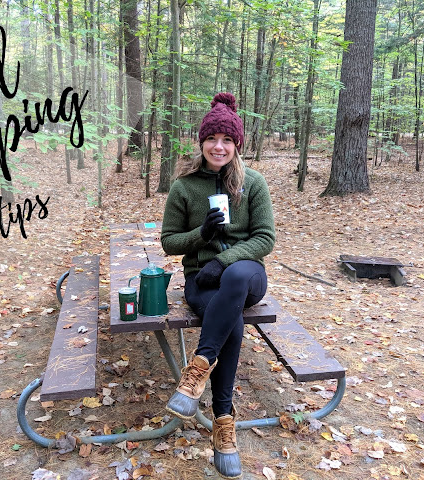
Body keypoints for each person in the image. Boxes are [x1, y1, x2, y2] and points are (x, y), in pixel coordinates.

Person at [161, 92, 276, 479]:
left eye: (227, 139)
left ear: (237, 143)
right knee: (232, 322)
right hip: (202, 280)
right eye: (212, 138)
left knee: (238, 276)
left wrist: (224, 261)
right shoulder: (184, 187)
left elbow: (265, 239)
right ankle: (224, 424)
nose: (219, 146)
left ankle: (198, 369)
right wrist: (201, 235)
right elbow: (168, 242)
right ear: (202, 142)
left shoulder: (253, 183)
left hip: (246, 276)